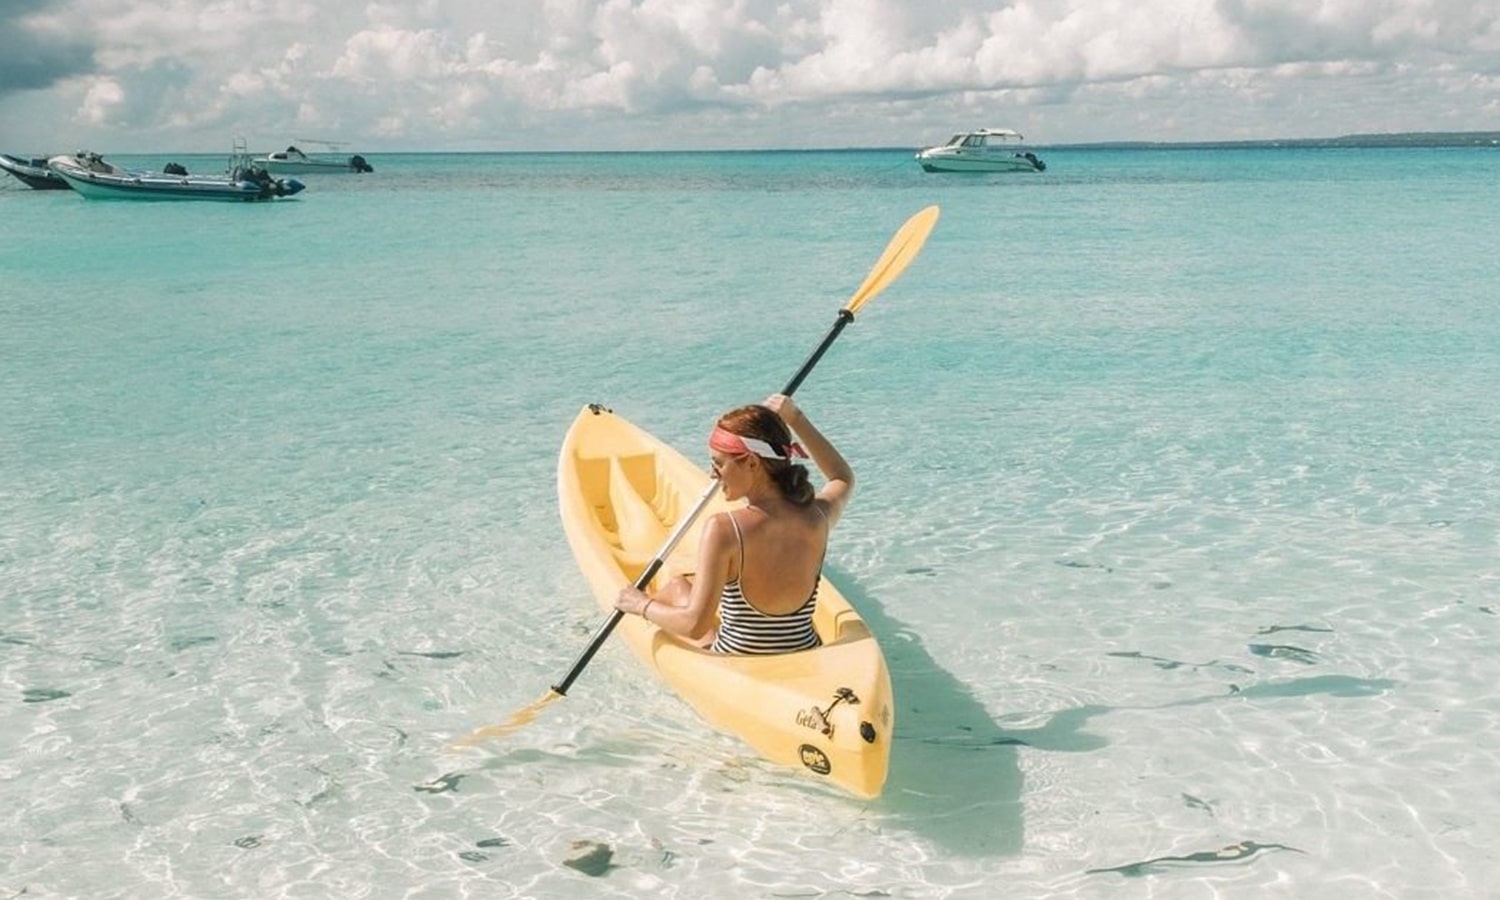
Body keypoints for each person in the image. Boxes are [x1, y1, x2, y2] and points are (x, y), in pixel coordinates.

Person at [614, 393, 854, 654]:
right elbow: (841, 476)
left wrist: (640, 605)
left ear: (752, 462)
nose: (711, 474)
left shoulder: (725, 529)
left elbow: (694, 625)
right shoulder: (817, 516)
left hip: (737, 659)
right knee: (678, 587)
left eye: (718, 464)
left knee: (671, 591)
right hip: (805, 650)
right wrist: (796, 418)